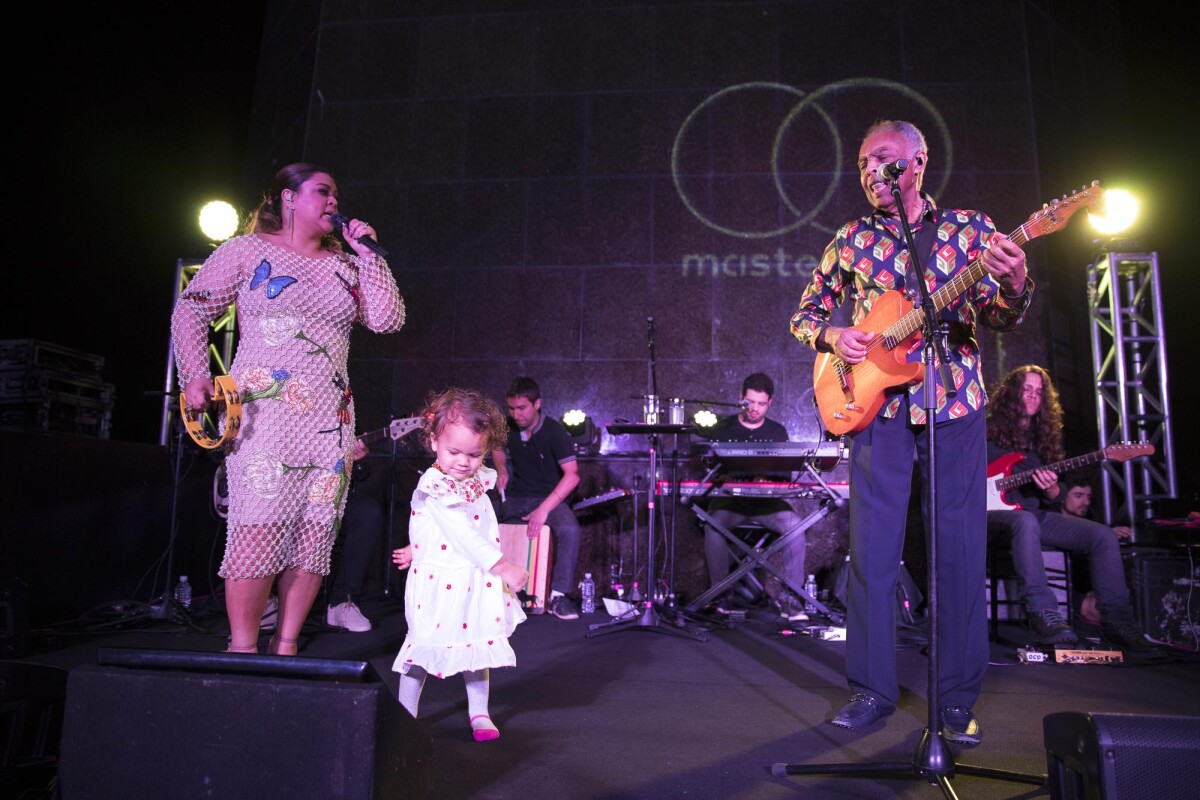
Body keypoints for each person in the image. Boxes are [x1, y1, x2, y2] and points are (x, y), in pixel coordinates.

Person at [790, 119, 1034, 745]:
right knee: (872, 552)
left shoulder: (972, 231)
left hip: (954, 402)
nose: (872, 172)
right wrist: (833, 337)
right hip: (879, 412)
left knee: (957, 551)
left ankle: (954, 701)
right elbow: (807, 315)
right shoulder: (849, 239)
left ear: (918, 162)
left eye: (884, 160)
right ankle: (870, 690)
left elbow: (1001, 317)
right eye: (865, 163)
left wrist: (1012, 283)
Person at [172, 162, 405, 655]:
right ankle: (242, 649)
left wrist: (368, 256)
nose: (333, 202)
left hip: (330, 422)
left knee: (313, 538)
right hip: (263, 417)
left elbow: (386, 320)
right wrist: (195, 374)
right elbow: (192, 308)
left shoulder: (346, 264)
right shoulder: (247, 250)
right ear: (288, 199)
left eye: (336, 194)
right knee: (256, 532)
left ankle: (287, 646)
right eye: (323, 192)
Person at [391, 388, 528, 742]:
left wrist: (415, 543)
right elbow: (462, 531)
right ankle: (405, 718)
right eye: (454, 452)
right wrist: (503, 566)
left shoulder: (477, 478)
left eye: (474, 453)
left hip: (472, 577)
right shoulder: (434, 484)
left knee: (476, 642)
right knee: (422, 646)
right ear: (434, 440)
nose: (464, 462)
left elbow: (468, 523)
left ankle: (479, 712)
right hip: (439, 581)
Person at [985, 366, 1151, 651]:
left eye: (1040, 391)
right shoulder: (986, 430)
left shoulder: (1045, 437)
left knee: (1103, 537)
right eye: (1027, 389)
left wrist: (1051, 489)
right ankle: (1044, 615)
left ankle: (1117, 623)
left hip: (1031, 516)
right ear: (1012, 393)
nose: (1034, 396)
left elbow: (1055, 495)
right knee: (1025, 522)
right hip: (988, 516)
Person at [699, 372, 811, 621]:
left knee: (796, 527)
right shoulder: (724, 427)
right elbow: (707, 463)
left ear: (770, 403)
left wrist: (768, 480)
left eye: (761, 404)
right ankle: (721, 595)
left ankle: (792, 599)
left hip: (768, 504)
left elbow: (786, 474)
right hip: (731, 501)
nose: (755, 409)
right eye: (750, 402)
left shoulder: (776, 431)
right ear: (740, 398)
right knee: (713, 524)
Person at [492, 377, 583, 620]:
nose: (516, 414)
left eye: (521, 408)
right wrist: (501, 470)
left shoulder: (554, 431)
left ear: (537, 404)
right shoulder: (507, 426)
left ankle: (558, 596)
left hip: (548, 499)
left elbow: (572, 476)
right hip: (517, 496)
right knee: (481, 521)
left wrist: (543, 510)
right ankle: (484, 593)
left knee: (570, 530)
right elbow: (497, 449)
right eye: (511, 408)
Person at [1060, 472, 1131, 627]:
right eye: (1079, 496)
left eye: (1089, 497)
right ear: (1062, 497)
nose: (1086, 502)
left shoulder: (1091, 521)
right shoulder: (1051, 524)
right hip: (1062, 592)